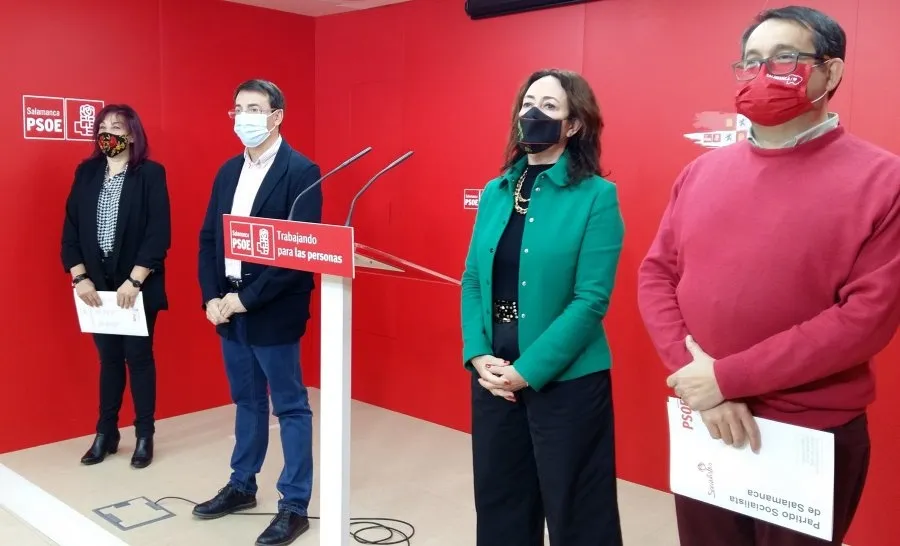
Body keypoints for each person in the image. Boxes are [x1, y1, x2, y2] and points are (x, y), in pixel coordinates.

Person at [638, 6, 900, 546]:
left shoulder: (884, 180)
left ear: (832, 72)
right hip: (708, 420)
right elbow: (656, 275)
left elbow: (865, 320)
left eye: (785, 59)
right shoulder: (701, 172)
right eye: (751, 61)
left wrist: (728, 378)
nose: (762, 74)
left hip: (810, 432)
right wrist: (702, 381)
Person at [461, 68, 625, 546]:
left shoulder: (597, 195)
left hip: (567, 382)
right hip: (494, 375)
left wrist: (528, 370)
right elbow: (473, 278)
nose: (533, 113)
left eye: (550, 106)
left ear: (573, 125)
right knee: (500, 505)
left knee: (579, 515)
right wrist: (477, 355)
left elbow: (591, 299)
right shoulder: (495, 192)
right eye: (528, 103)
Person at [194, 79, 321, 546]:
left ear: (276, 116)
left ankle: (294, 504)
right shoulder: (228, 171)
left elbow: (297, 251)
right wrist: (212, 296)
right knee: (246, 401)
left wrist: (247, 298)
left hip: (271, 309)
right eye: (238, 108)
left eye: (254, 108)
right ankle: (242, 484)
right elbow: (209, 237)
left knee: (289, 405)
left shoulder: (302, 171)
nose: (243, 117)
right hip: (227, 308)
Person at [60, 104, 171, 469]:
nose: (109, 133)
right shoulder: (87, 172)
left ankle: (144, 435)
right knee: (108, 360)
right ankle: (106, 433)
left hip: (136, 287)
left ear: (133, 134)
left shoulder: (150, 174)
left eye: (117, 127)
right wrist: (80, 277)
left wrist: (135, 280)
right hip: (96, 288)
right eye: (103, 127)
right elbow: (71, 230)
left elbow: (158, 234)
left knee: (139, 359)